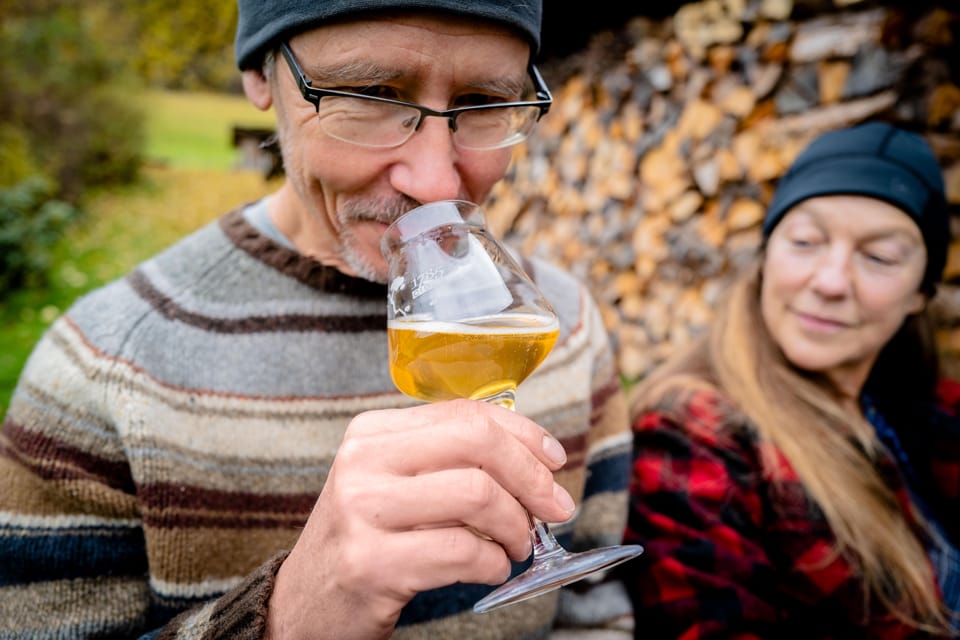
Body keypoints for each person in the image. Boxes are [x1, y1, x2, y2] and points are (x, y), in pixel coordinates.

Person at [0, 1, 633, 638]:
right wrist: (292, 617)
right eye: (372, 95)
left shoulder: (569, 326)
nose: (436, 181)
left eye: (484, 102)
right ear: (259, 74)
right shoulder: (102, 369)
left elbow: (593, 614)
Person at [622, 121, 960, 638]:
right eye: (805, 241)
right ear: (766, 253)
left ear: (920, 292)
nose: (829, 282)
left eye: (879, 257)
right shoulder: (694, 434)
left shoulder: (925, 408)